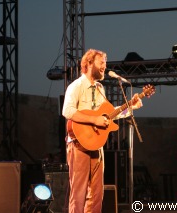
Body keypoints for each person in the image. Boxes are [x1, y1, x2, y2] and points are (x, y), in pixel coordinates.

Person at [62, 48, 143, 213]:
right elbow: (67, 111)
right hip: (78, 143)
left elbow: (108, 116)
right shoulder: (76, 86)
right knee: (78, 192)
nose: (104, 67)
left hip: (96, 143)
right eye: (101, 63)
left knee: (97, 192)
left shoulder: (100, 88)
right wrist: (94, 119)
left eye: (105, 63)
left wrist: (131, 107)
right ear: (89, 63)